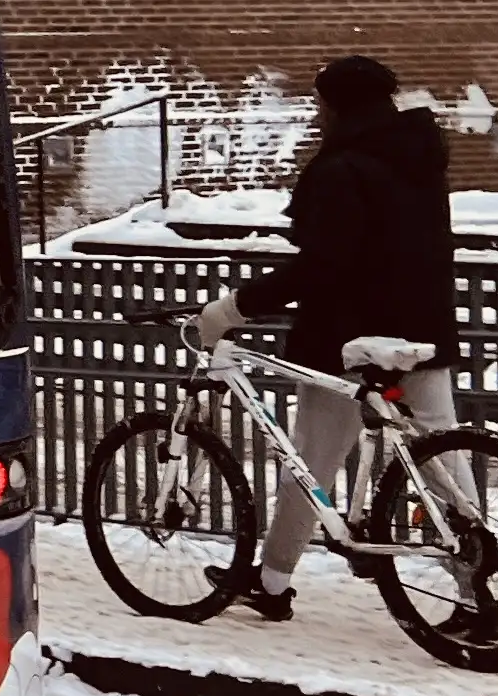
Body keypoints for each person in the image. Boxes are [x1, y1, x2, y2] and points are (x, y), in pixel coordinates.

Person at [193, 55, 458, 621]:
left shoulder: (342, 169)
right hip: (421, 329)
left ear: (335, 105)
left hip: (349, 339)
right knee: (442, 458)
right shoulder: (421, 158)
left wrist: (235, 307)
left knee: (311, 460)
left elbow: (322, 266)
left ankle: (272, 582)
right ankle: (477, 582)